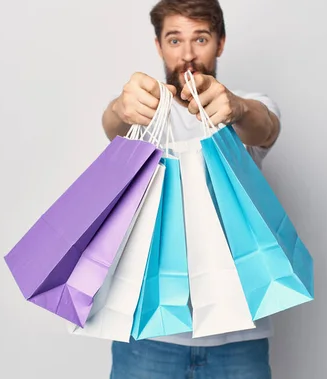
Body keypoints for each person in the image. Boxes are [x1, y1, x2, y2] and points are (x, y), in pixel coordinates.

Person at [101, 0, 281, 378]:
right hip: (148, 335)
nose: (186, 55)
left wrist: (238, 108)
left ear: (220, 42)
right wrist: (121, 106)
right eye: (174, 39)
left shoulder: (244, 108)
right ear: (158, 46)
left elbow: (265, 127)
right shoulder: (142, 113)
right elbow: (113, 126)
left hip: (239, 340)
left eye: (200, 38)